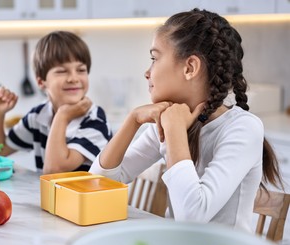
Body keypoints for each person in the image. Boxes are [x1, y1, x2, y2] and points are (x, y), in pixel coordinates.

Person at [90, 8, 283, 232]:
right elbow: (97, 183)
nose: (147, 72)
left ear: (190, 67)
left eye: (154, 59)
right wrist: (132, 120)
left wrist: (175, 131)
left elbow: (192, 217)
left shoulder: (243, 128)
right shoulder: (167, 120)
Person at [0, 31, 112, 174]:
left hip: (87, 197)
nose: (73, 78)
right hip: (50, 196)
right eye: (61, 71)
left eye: (81, 70)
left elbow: (54, 170)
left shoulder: (95, 120)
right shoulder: (38, 115)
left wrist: (62, 116)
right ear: (41, 82)